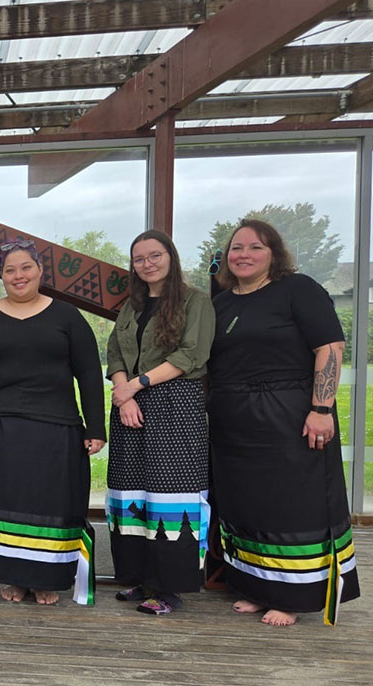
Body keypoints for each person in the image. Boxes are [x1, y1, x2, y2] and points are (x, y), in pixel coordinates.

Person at [209, 218, 360, 626]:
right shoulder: (222, 303)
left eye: (255, 247)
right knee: (247, 503)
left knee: (291, 504)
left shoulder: (299, 289)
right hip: (233, 419)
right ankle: (257, 588)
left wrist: (322, 408)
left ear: (273, 252)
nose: (243, 255)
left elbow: (330, 347)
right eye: (236, 248)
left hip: (289, 412)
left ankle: (292, 596)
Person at [0, 239, 105, 606]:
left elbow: (89, 374)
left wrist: (96, 427)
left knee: (47, 505)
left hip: (55, 428)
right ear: (1, 277)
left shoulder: (67, 316)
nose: (18, 276)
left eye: (25, 268)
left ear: (40, 272)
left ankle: (44, 578)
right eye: (10, 270)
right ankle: (12, 578)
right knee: (3, 504)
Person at [105, 230, 215, 615]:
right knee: (131, 492)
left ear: (171, 256)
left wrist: (136, 385)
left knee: (171, 496)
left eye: (155, 255)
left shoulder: (195, 300)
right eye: (139, 258)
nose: (147, 264)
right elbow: (115, 351)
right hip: (129, 407)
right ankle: (142, 578)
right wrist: (125, 395)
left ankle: (170, 588)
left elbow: (192, 353)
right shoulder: (131, 306)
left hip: (174, 403)